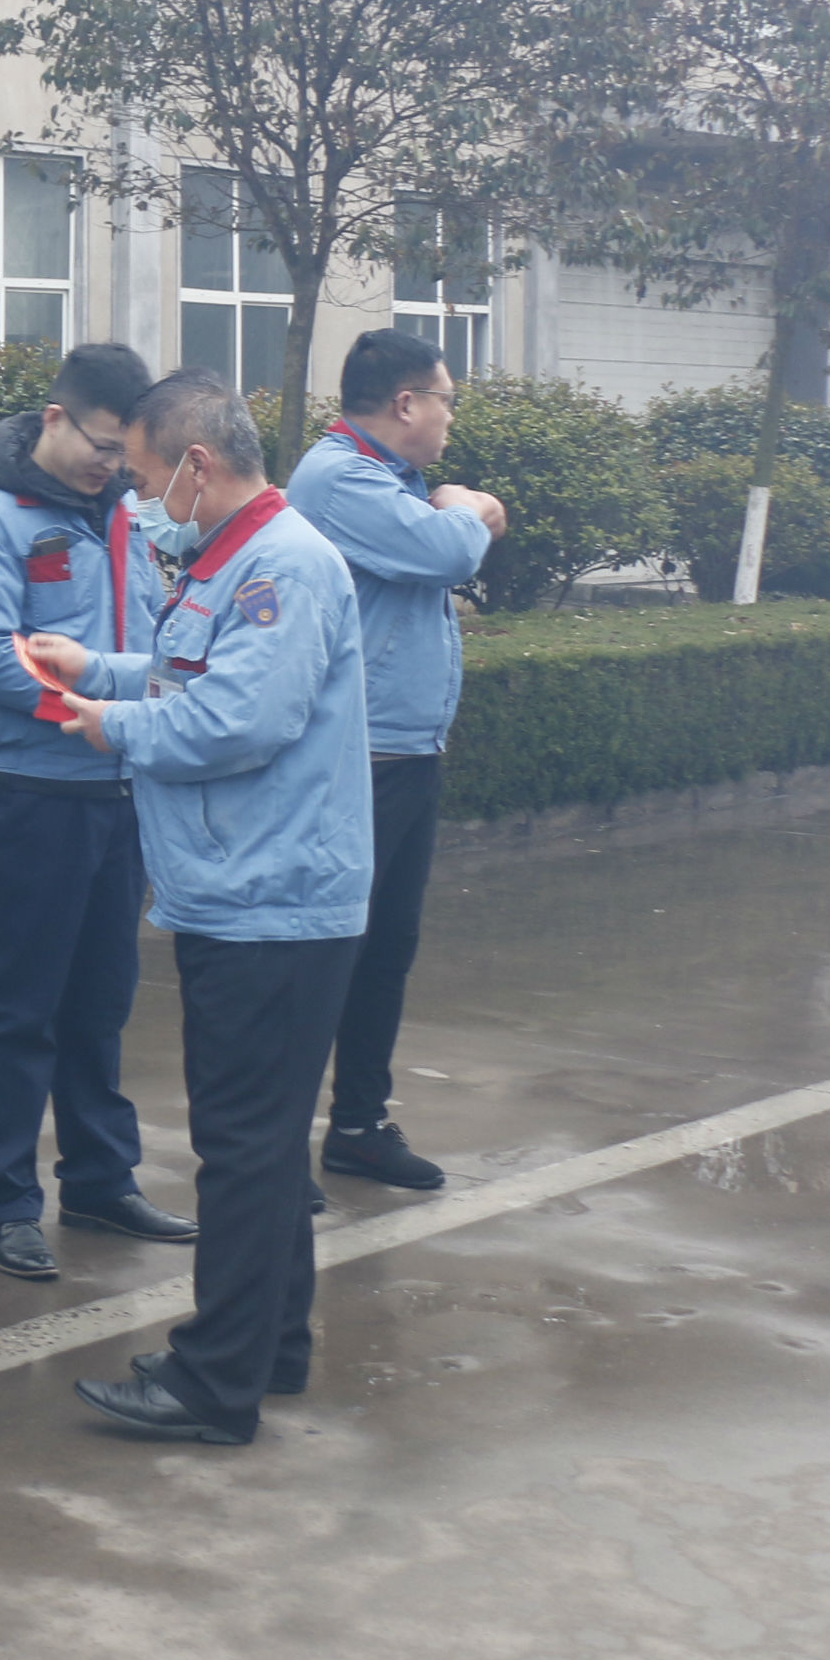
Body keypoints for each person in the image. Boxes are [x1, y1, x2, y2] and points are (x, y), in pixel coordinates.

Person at [30, 369, 372, 1445]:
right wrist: (101, 669)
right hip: (248, 886)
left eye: (143, 477)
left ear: (197, 465)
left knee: (243, 1147)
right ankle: (272, 1346)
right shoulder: (237, 557)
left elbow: (237, 719)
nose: (136, 497)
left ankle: (214, 1382)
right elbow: (192, 670)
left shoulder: (284, 565)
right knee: (261, 1145)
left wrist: (110, 725)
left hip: (270, 896)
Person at [0, 344, 197, 1283]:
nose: (114, 466)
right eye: (102, 445)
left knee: (100, 1001)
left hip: (121, 791)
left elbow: (159, 636)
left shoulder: (124, 511)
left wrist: (134, 717)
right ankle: (4, 1201)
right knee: (14, 1009)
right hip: (34, 795)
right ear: (54, 419)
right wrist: (90, 713)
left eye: (129, 453)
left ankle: (99, 1178)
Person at [289, 330, 505, 1195]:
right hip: (359, 754)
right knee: (326, 950)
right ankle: (275, 1146)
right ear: (407, 403)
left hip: (408, 749)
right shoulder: (339, 478)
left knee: (385, 947)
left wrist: (458, 505)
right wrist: (468, 506)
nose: (451, 417)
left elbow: (454, 537)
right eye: (447, 400)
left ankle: (359, 1126)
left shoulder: (394, 482)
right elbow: (452, 550)